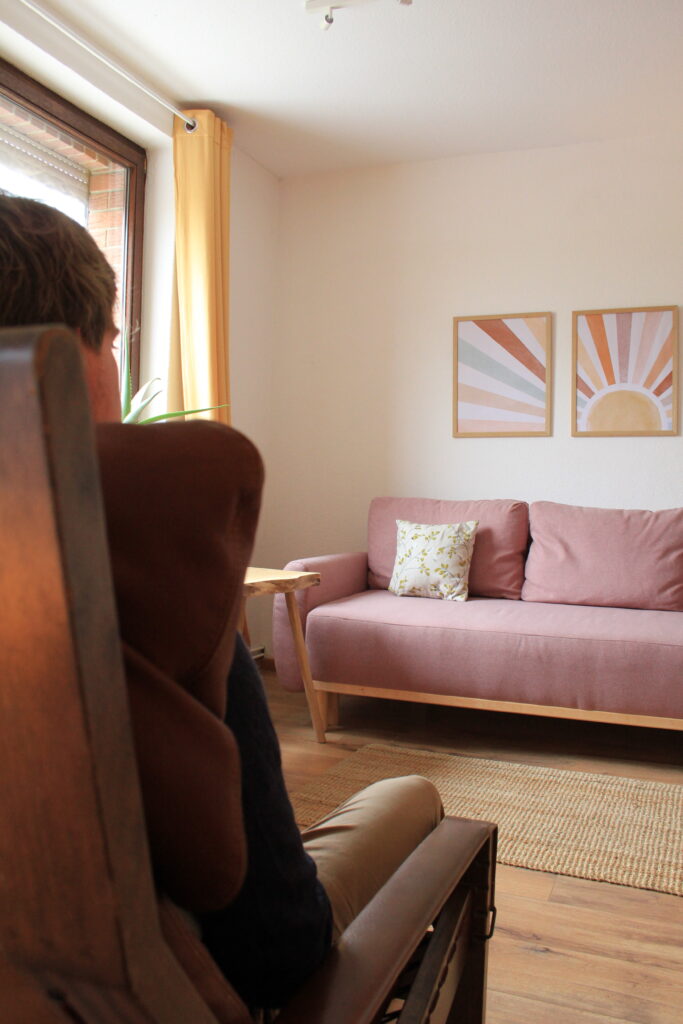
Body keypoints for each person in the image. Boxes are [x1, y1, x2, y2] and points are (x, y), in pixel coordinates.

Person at [0, 194, 443, 1011]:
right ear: (67, 357)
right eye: (113, 342)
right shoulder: (147, 554)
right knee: (412, 795)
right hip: (194, 977)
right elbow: (271, 939)